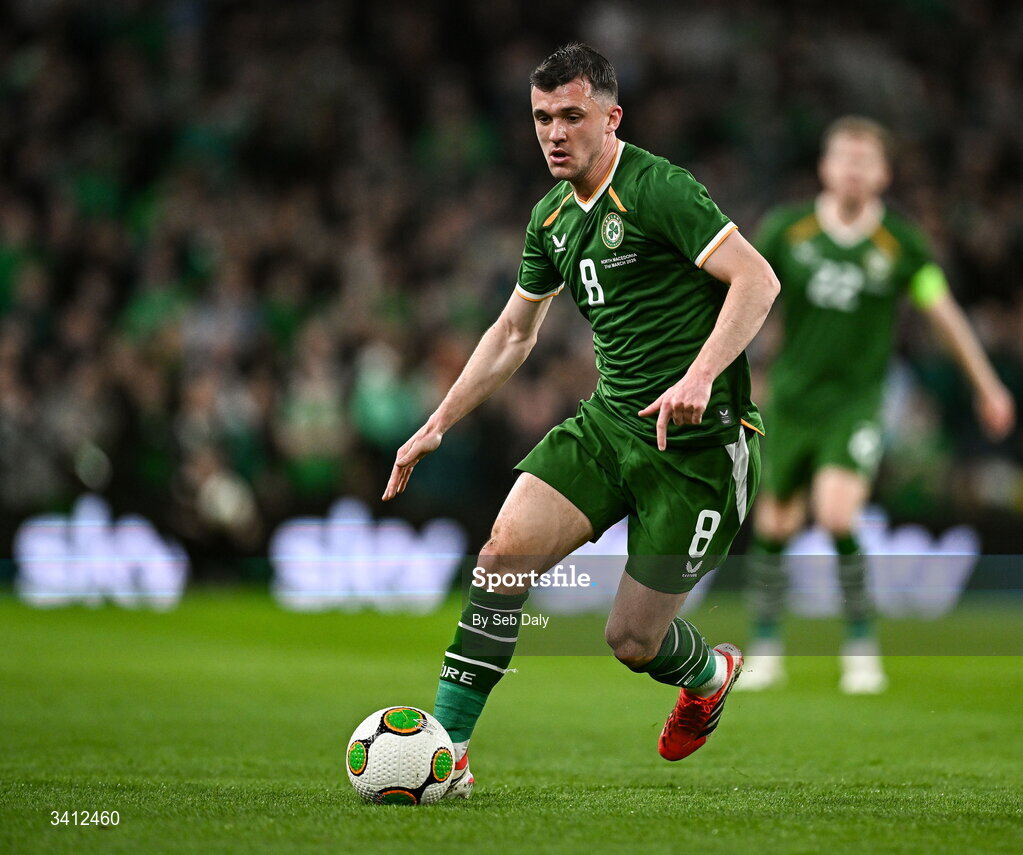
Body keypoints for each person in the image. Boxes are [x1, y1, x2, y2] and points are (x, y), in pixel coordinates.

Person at [383, 43, 779, 798]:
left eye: (571, 115)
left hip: (698, 452)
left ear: (610, 116)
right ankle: (449, 751)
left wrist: (699, 376)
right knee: (501, 555)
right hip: (607, 428)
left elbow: (757, 280)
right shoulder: (552, 218)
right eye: (541, 118)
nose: (554, 133)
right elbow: (511, 333)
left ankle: (708, 671)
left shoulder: (659, 188)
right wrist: (437, 421)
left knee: (631, 641)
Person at [740, 116, 1015, 694]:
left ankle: (860, 646)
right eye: (844, 158)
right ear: (824, 167)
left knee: (838, 514)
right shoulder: (786, 230)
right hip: (789, 401)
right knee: (774, 526)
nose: (854, 170)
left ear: (884, 174)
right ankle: (766, 648)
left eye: (866, 161)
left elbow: (944, 315)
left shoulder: (901, 244)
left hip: (857, 402)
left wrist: (986, 384)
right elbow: (744, 295)